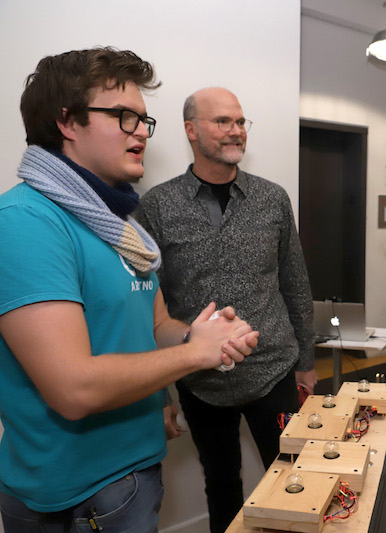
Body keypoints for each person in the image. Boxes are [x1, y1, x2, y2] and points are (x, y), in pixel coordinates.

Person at [0, 48, 257, 532]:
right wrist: (193, 356)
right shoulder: (26, 223)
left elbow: (154, 324)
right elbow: (72, 388)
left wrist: (200, 335)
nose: (141, 130)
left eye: (143, 119)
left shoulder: (117, 225)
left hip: (133, 474)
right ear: (67, 122)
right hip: (78, 494)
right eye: (124, 117)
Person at [136, 87, 316, 533]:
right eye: (223, 122)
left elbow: (295, 283)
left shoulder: (272, 199)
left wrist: (306, 363)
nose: (236, 130)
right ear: (191, 130)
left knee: (294, 479)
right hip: (200, 381)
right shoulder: (156, 206)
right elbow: (146, 305)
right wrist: (158, 393)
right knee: (220, 484)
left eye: (240, 122)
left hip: (272, 369)